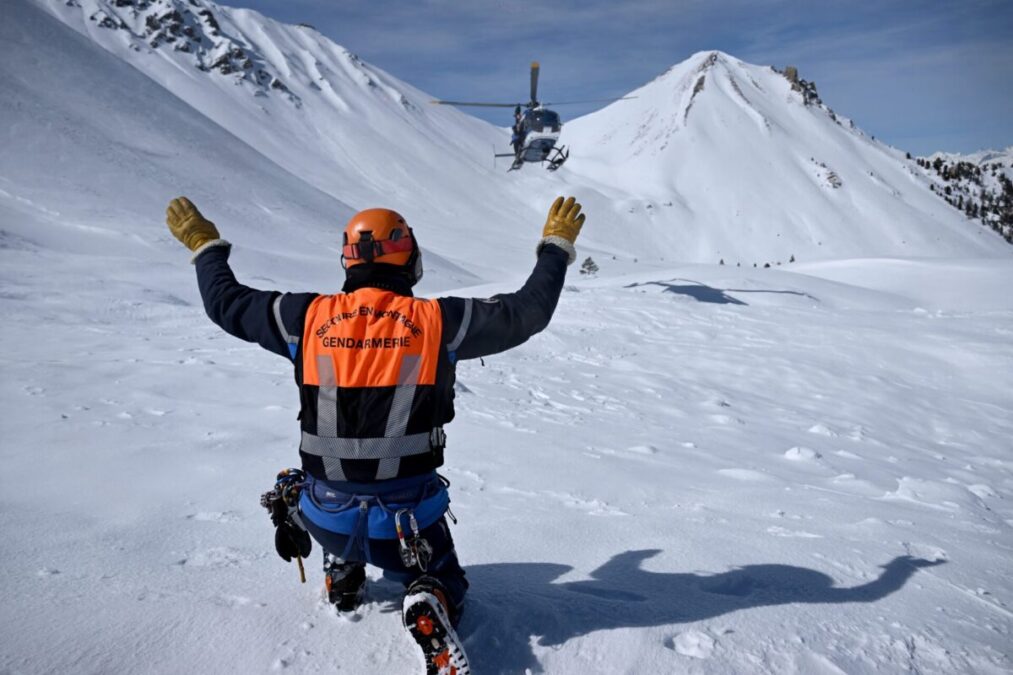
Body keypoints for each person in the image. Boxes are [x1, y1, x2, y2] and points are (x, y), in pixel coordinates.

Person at [165, 195, 585, 675]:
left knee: (310, 484)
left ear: (348, 260)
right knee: (445, 577)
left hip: (326, 518)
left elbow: (226, 303)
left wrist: (205, 245)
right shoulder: (438, 323)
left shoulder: (305, 319)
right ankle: (432, 595)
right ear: (409, 259)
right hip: (407, 530)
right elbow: (528, 312)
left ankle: (343, 572)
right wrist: (555, 247)